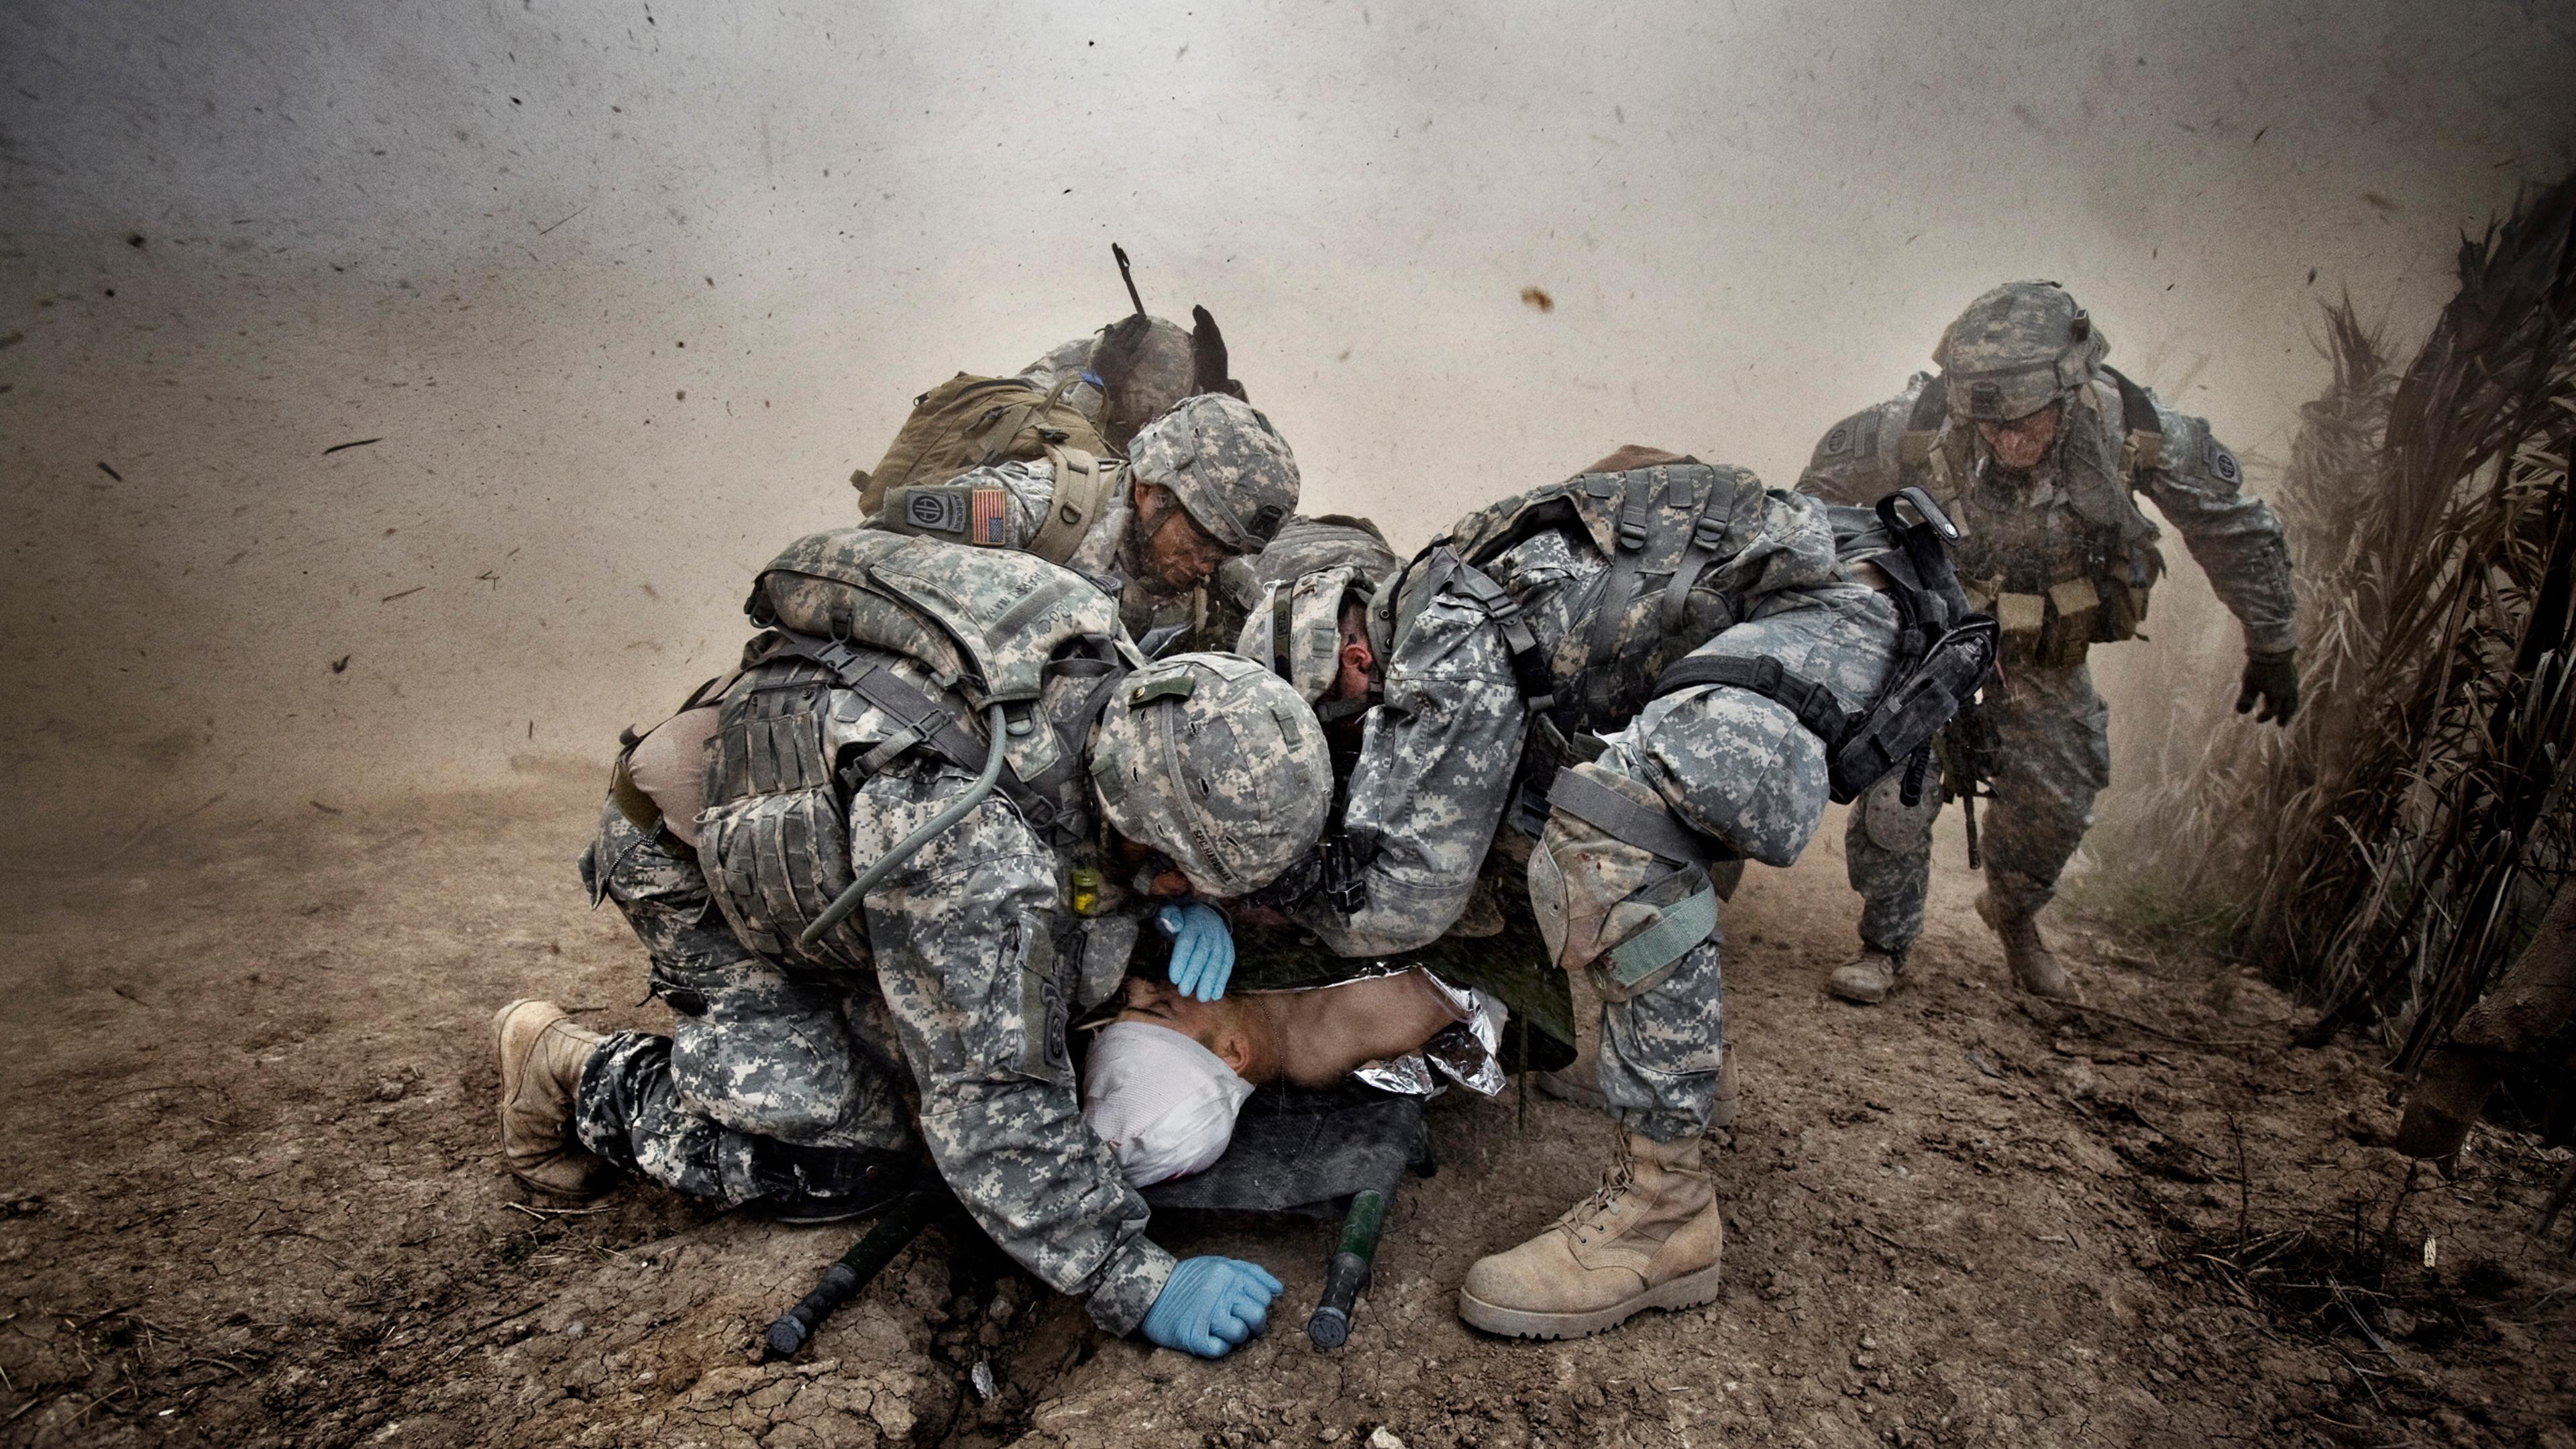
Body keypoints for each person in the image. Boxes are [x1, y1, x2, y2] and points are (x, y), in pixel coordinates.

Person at [493, 529, 1334, 1361]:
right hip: (693, 857)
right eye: (1189, 873)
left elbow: (1072, 858)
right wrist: (1132, 1277)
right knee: (859, 1148)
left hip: (838, 819)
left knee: (1035, 992)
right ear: (1145, 817)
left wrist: (1166, 905)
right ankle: (575, 1073)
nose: (1195, 896)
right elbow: (988, 1103)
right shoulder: (969, 852)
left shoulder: (1123, 694)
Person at [1256, 446, 1952, 1339]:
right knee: (1547, 800)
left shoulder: (1443, 633)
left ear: (1353, 660)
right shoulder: (1453, 589)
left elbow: (1407, 899)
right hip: (1834, 590)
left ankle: (1663, 1215)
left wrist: (1280, 892)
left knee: (1612, 828)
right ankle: (1692, 1067)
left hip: (1839, 609)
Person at [1796, 280, 2300, 1003]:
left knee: (2060, 801)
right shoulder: (1915, 422)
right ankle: (1884, 942)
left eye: (2024, 421)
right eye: (1988, 421)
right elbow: (1811, 505)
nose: (2006, 439)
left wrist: (2273, 642)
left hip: (2044, 660)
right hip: (1931, 646)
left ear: (2069, 389)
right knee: (1895, 793)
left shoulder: (2137, 429)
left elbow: (2236, 528)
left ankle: (2014, 917)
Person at [870, 391, 1297, 648]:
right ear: (1150, 491)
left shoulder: (1225, 583)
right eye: (1201, 539)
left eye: (1227, 551)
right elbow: (871, 554)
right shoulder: (1030, 512)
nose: (1208, 563)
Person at [1080, 967, 1507, 1187]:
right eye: (1160, 1007)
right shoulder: (1344, 1019)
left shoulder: (1248, 1010)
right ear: (1233, 1052)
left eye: (1128, 1001)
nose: (1138, 985)